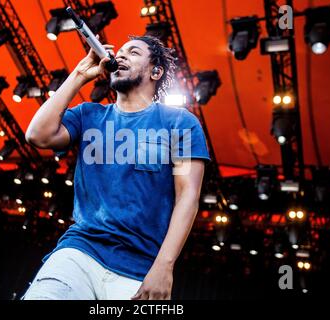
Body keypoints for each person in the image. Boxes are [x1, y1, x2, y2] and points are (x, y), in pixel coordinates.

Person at [24, 35, 210, 300]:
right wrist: (80, 73)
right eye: (119, 52)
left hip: (140, 268)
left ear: (156, 71)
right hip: (79, 251)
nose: (120, 56)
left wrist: (164, 266)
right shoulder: (88, 115)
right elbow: (37, 135)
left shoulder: (180, 122)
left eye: (133, 52)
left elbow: (187, 197)